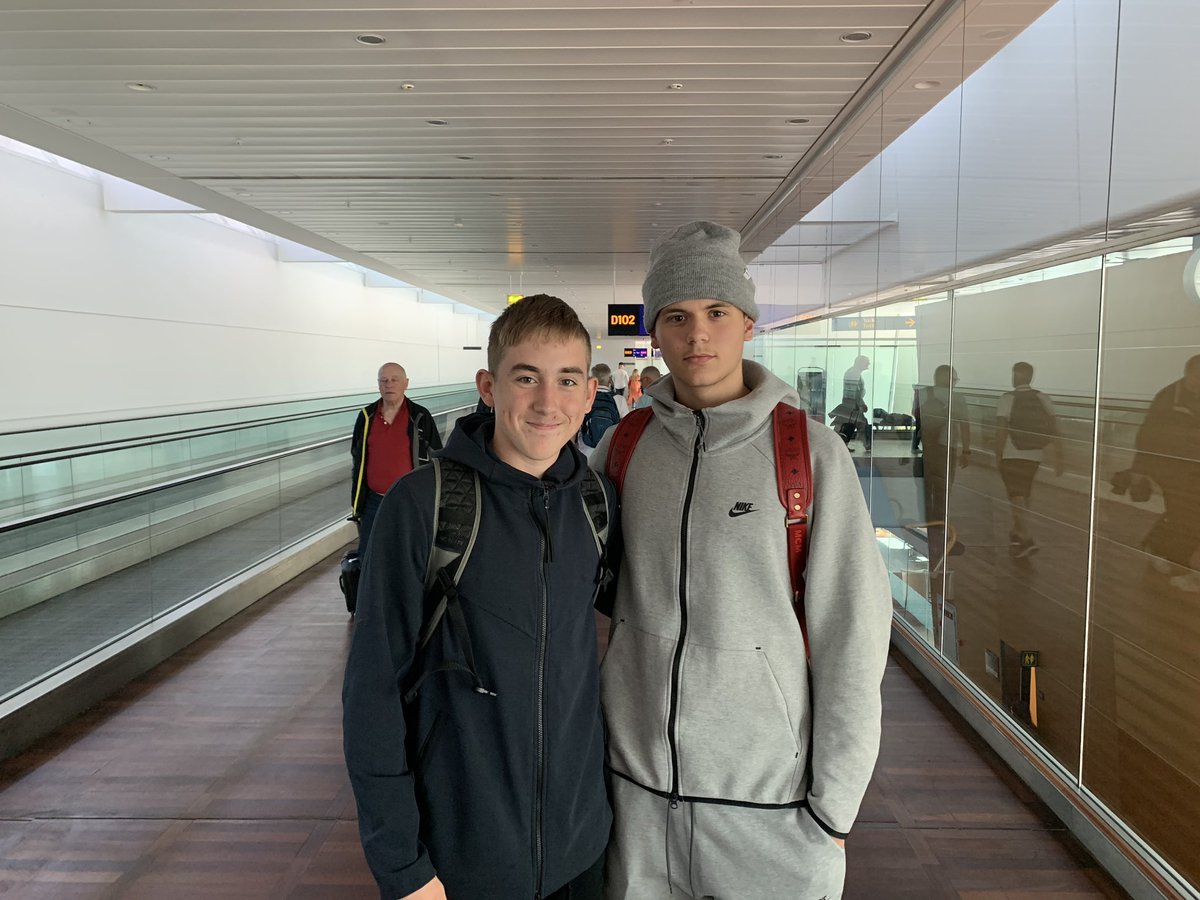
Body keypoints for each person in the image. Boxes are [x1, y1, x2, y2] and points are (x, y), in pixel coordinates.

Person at [590, 221, 892, 900]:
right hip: (635, 803)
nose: (698, 335)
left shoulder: (809, 455)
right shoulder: (623, 448)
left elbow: (855, 636)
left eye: (716, 313)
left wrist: (833, 807)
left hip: (771, 812)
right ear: (656, 332)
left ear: (747, 324)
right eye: (677, 316)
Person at [342, 294, 620, 900]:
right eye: (527, 378)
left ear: (589, 393)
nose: (549, 403)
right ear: (489, 387)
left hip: (582, 850)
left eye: (567, 380)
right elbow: (372, 690)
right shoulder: (422, 505)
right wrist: (401, 866)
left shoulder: (596, 503)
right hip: (459, 860)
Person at [350, 363, 442, 553]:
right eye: (384, 380)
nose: (389, 385)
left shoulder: (420, 416)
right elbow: (356, 456)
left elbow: (437, 457)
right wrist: (357, 502)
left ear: (406, 384)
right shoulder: (366, 416)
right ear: (378, 385)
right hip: (373, 503)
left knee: (408, 554)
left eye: (394, 380)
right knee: (370, 556)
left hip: (410, 502)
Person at [1130, 354, 1200, 592]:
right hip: (1172, 469)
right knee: (1185, 513)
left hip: (1195, 467)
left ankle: (1160, 550)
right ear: (1188, 373)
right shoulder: (1168, 397)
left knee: (1183, 514)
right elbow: (1147, 435)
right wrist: (1138, 471)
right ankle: (1167, 555)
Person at [994, 362, 1064, 558]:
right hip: (1035, 454)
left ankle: (1026, 538)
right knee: (1023, 493)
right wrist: (1060, 455)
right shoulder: (1042, 398)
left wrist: (997, 453)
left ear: (1015, 376)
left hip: (1012, 453)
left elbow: (1001, 429)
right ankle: (1017, 532)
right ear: (1030, 377)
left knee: (1016, 495)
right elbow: (1054, 427)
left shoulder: (1007, 399)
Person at [840, 354, 873, 452]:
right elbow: (855, 391)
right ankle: (867, 445)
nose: (869, 364)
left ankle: (844, 445)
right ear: (861, 363)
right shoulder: (853, 373)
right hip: (853, 404)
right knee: (860, 424)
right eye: (867, 362)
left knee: (850, 425)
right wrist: (861, 404)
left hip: (852, 404)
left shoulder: (853, 372)